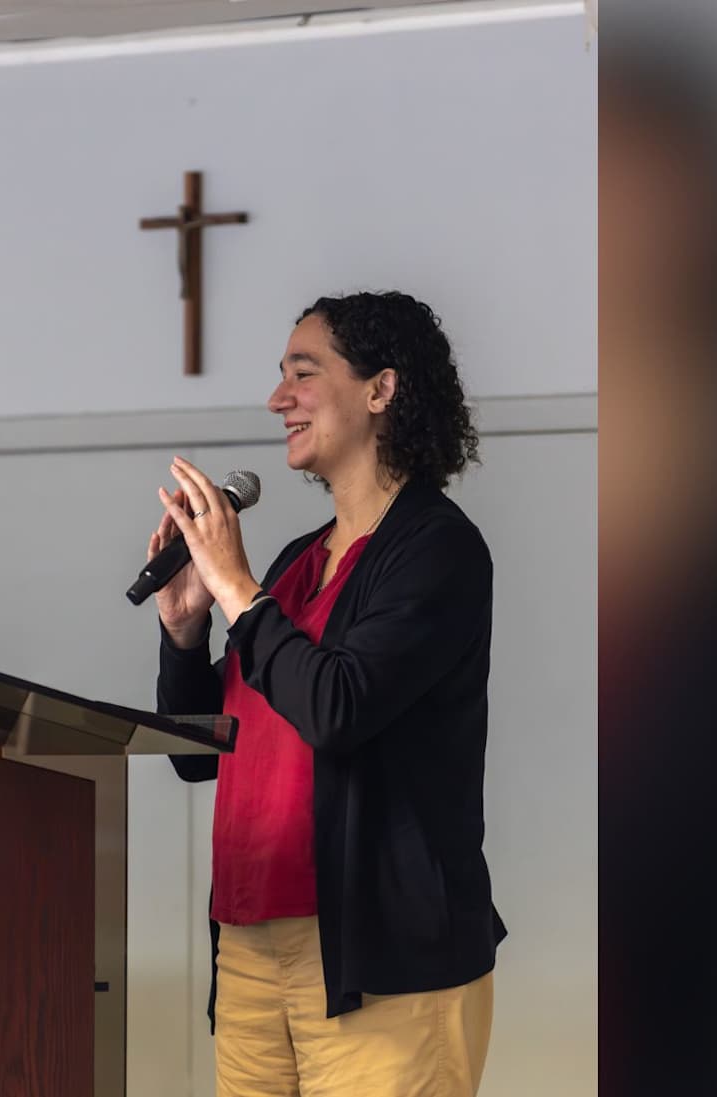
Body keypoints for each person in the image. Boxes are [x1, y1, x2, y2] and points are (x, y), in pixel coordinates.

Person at [150, 290, 504, 1097]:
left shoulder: (436, 550)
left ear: (381, 390)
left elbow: (337, 707)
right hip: (248, 944)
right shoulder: (294, 565)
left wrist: (239, 590)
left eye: (303, 373)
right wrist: (184, 632)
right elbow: (198, 757)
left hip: (377, 952)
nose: (280, 398)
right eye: (281, 376)